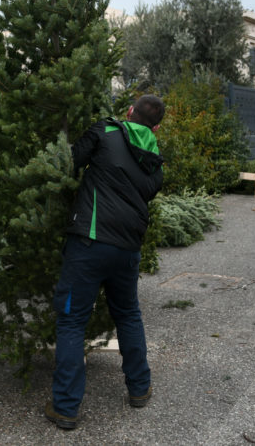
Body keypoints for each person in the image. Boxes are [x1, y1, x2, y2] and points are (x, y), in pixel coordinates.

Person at [46, 95, 165, 431]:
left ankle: (66, 407)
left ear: (129, 113)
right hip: (127, 249)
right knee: (128, 314)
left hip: (89, 243)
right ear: (155, 128)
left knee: (71, 321)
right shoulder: (155, 158)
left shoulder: (105, 131)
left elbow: (69, 163)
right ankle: (139, 389)